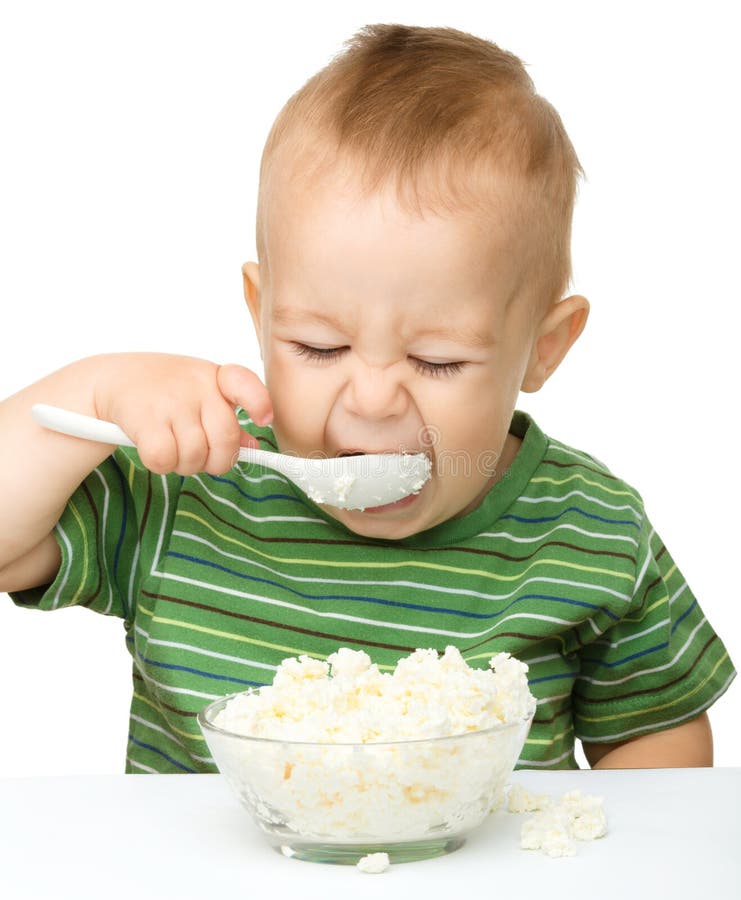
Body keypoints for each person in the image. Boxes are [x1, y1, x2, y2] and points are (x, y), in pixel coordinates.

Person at [0, 24, 734, 773]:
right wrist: (93, 390)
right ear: (262, 313)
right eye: (319, 346)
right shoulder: (196, 480)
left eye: (437, 359)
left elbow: (653, 736)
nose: (374, 397)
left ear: (542, 348)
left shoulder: (589, 533)